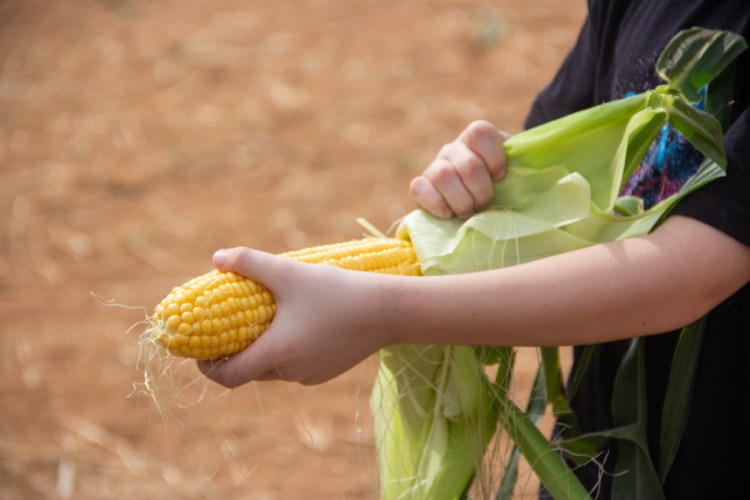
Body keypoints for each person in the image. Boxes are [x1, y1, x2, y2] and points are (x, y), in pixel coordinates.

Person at [199, 0, 750, 497]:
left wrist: (383, 312)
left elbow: (699, 266)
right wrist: (477, 177)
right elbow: (561, 180)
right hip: (597, 456)